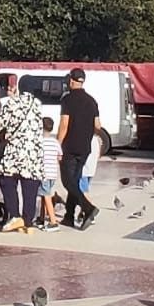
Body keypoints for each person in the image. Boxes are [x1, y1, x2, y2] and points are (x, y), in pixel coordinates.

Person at [0, 73, 44, 234]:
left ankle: (14, 216)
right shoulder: (38, 104)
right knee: (30, 186)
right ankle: (28, 221)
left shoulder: (13, 103)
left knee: (7, 181)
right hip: (34, 153)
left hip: (15, 151)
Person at [55, 67, 101, 229]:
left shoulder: (67, 100)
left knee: (68, 182)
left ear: (71, 80)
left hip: (69, 146)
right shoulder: (92, 100)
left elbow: (64, 125)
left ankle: (88, 208)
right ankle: (69, 216)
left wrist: (57, 145)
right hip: (84, 148)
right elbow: (97, 126)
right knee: (74, 181)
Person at [38, 116, 63, 227]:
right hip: (53, 173)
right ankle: (42, 217)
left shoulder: (39, 142)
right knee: (45, 195)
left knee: (46, 196)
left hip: (44, 173)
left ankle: (53, 221)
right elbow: (60, 157)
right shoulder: (55, 142)